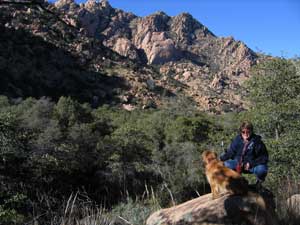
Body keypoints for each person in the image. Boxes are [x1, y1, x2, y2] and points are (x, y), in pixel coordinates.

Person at [220, 121, 268, 189]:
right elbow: (231, 152)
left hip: (252, 166)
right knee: (225, 165)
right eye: (243, 132)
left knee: (262, 169)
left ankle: (259, 183)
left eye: (248, 132)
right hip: (239, 164)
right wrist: (220, 159)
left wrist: (251, 164)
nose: (245, 134)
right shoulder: (237, 139)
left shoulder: (257, 141)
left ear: (251, 131)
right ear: (241, 132)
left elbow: (264, 158)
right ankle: (233, 183)